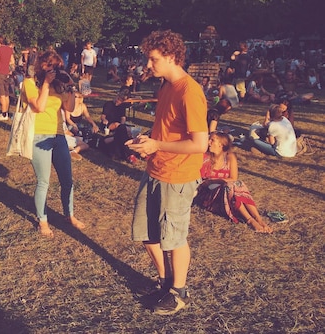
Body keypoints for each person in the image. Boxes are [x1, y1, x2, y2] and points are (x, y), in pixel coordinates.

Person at [127, 30, 208, 315]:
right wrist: (146, 143)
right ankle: (165, 282)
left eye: (154, 59)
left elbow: (200, 143)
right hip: (155, 170)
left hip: (178, 176)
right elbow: (166, 130)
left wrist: (157, 144)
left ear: (172, 58)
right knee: (147, 233)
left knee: (173, 238)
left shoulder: (190, 91)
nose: (149, 65)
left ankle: (178, 292)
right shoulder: (165, 87)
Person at [23, 50, 85, 237]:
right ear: (41, 65)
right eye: (50, 65)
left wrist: (71, 87)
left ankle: (70, 215)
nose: (54, 69)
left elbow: (70, 108)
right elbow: (39, 107)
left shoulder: (59, 86)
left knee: (67, 180)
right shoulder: (29, 83)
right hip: (38, 136)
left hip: (58, 136)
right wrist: (46, 84)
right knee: (43, 182)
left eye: (57, 66)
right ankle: (43, 221)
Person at [195, 132, 272, 233]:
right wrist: (215, 182)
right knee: (230, 186)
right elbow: (202, 183)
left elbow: (234, 178)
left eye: (212, 140)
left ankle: (258, 218)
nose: (208, 142)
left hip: (226, 190)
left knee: (237, 184)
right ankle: (250, 220)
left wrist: (216, 180)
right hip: (208, 195)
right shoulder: (204, 157)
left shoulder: (230, 157)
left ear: (221, 144)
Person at [100, 87, 139, 163]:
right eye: (118, 99)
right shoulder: (108, 104)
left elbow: (123, 118)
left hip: (118, 127)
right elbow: (103, 116)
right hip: (109, 124)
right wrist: (104, 120)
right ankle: (131, 153)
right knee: (120, 127)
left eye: (121, 101)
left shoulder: (122, 107)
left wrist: (122, 125)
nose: (119, 102)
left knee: (124, 128)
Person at [0, 35, 15, 121]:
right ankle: (6, 112)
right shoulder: (9, 49)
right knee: (6, 94)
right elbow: (12, 61)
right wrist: (10, 69)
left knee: (1, 94)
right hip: (6, 73)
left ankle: (3, 113)